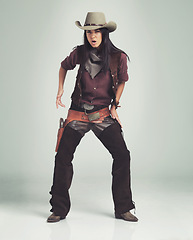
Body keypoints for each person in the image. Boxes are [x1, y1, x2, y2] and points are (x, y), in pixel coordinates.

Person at [47, 12, 138, 223]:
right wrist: (60, 90)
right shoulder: (79, 53)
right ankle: (59, 209)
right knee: (62, 157)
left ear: (104, 33)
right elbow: (63, 66)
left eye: (97, 31)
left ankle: (123, 208)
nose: (93, 36)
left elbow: (123, 81)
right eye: (89, 32)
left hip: (102, 115)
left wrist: (115, 104)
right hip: (78, 113)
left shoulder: (118, 57)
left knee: (122, 155)